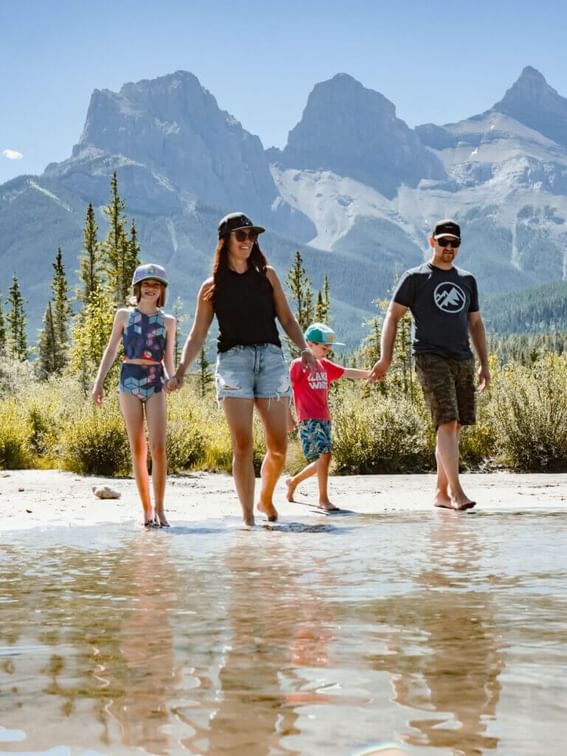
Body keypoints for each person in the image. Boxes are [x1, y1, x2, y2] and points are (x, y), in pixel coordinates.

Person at [169, 212, 316, 527]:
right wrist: (181, 369)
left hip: (271, 360)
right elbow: (197, 334)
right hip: (233, 364)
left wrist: (304, 348)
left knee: (279, 446)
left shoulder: (268, 276)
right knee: (243, 445)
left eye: (252, 236)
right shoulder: (212, 287)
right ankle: (248, 519)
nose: (248, 241)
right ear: (225, 241)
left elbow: (287, 319)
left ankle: (265, 498)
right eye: (242, 236)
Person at [368, 219, 490, 511]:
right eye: (444, 241)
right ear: (432, 241)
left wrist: (484, 365)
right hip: (429, 355)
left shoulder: (467, 280)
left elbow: (475, 323)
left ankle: (440, 493)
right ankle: (458, 493)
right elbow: (392, 316)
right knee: (446, 421)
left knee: (455, 426)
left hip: (462, 357)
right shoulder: (416, 277)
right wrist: (386, 358)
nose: (449, 248)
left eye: (454, 243)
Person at [92, 263, 176, 527]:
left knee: (159, 448)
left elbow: (169, 359)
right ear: (138, 287)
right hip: (128, 381)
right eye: (146, 284)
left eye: (156, 285)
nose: (151, 289)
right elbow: (111, 350)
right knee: (138, 448)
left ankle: (161, 509)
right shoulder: (124, 316)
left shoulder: (168, 322)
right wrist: (98, 383)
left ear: (162, 290)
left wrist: (173, 378)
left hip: (155, 382)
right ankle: (146, 510)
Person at [286, 322, 370, 512]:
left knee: (324, 458)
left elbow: (346, 372)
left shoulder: (324, 365)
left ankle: (293, 482)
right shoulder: (298, 365)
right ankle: (322, 499)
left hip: (324, 418)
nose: (326, 352)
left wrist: (370, 374)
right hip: (308, 418)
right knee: (325, 455)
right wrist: (287, 416)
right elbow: (285, 388)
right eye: (323, 348)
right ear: (309, 343)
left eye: (328, 349)